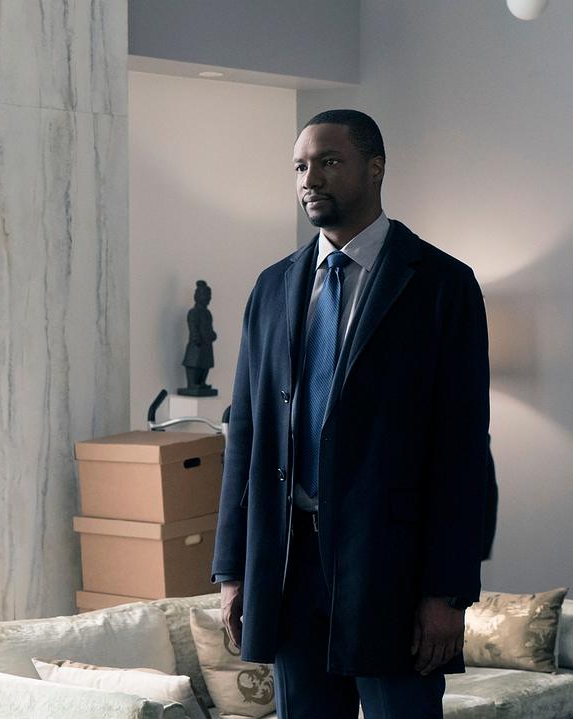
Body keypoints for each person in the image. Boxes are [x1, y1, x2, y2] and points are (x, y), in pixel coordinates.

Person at [211, 110, 489, 719]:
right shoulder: (272, 287)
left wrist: (447, 593)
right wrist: (233, 571)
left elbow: (462, 452)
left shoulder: (442, 285)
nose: (311, 179)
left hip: (392, 571)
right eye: (300, 167)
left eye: (329, 162)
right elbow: (246, 437)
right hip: (289, 568)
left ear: (376, 168)